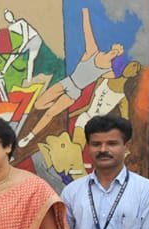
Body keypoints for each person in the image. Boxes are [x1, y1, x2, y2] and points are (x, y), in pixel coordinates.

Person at [20, 8, 123, 147]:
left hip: (75, 92)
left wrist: (119, 54)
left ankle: (30, 136)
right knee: (39, 104)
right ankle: (52, 105)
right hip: (67, 82)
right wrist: (85, 13)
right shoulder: (92, 52)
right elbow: (87, 31)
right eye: (112, 52)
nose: (112, 54)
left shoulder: (106, 71)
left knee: (50, 114)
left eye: (114, 55)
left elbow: (121, 72)